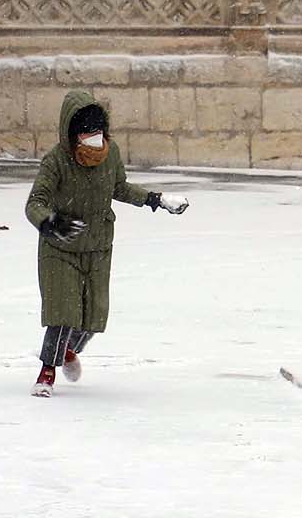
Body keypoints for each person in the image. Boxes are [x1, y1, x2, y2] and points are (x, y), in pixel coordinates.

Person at [23, 89, 189, 398]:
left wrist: (156, 200)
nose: (94, 138)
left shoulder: (109, 155)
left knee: (93, 317)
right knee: (63, 313)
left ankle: (68, 351)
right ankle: (47, 372)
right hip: (62, 246)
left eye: (99, 131)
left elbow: (120, 188)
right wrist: (49, 222)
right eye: (88, 132)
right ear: (73, 132)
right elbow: (36, 202)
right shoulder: (56, 161)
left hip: (98, 246)